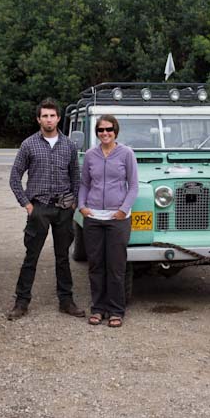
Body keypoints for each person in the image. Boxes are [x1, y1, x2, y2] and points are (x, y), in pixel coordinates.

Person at [7, 98, 85, 320]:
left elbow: (75, 177)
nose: (49, 119)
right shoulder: (28, 145)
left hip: (63, 209)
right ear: (38, 119)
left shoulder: (69, 145)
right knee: (31, 256)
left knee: (63, 257)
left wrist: (73, 202)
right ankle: (21, 302)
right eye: (45, 116)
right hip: (39, 208)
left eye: (52, 115)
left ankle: (66, 301)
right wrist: (27, 205)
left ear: (58, 118)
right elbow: (14, 178)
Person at [78, 114, 138, 328]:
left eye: (108, 129)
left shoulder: (126, 154)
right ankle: (98, 308)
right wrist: (82, 207)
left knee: (115, 266)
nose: (105, 133)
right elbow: (84, 183)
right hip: (93, 217)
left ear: (116, 131)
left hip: (117, 219)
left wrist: (123, 210)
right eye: (101, 130)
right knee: (96, 265)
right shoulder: (91, 155)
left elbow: (133, 186)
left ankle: (116, 310)